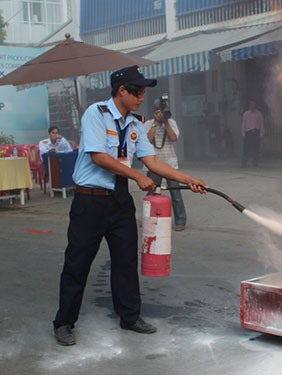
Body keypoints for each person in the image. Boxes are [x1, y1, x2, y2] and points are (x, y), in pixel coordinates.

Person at [52, 65, 207, 346]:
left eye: (143, 91)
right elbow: (99, 156)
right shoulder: (96, 114)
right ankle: (64, 322)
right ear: (121, 90)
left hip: (119, 200)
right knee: (77, 262)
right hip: (90, 200)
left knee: (125, 261)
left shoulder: (136, 124)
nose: (141, 96)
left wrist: (190, 179)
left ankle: (129, 316)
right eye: (136, 91)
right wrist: (137, 176)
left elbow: (154, 162)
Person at [145, 100, 187, 231]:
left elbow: (174, 138)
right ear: (154, 112)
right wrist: (156, 123)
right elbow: (147, 140)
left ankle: (180, 221)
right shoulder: (148, 124)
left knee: (175, 193)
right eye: (160, 111)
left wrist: (166, 121)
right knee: (151, 191)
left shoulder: (172, 122)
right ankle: (148, 218)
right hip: (153, 164)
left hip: (170, 163)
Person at [241, 100, 264, 167]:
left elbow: (261, 124)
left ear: (255, 105)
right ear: (249, 105)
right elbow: (243, 124)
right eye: (251, 104)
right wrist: (243, 133)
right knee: (246, 148)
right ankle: (244, 163)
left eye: (253, 104)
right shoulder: (246, 114)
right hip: (248, 132)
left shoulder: (259, 114)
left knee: (256, 148)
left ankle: (255, 162)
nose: (252, 105)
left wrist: (261, 133)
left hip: (256, 131)